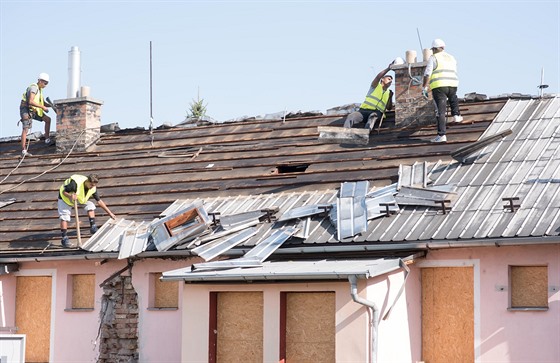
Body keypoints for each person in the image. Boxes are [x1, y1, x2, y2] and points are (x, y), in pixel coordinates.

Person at [58, 174, 116, 247]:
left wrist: (110, 213)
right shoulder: (75, 184)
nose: (92, 187)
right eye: (91, 185)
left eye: (94, 185)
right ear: (87, 181)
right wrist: (70, 196)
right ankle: (64, 238)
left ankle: (93, 227)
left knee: (90, 206)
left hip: (79, 198)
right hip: (65, 199)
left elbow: (99, 201)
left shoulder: (93, 188)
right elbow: (64, 192)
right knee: (65, 216)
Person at [422, 39, 463, 143]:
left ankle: (441, 135)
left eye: (433, 49)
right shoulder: (451, 57)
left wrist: (424, 87)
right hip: (453, 84)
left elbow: (427, 74)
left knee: (440, 112)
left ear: (435, 49)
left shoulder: (434, 57)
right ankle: (456, 116)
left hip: (439, 86)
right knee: (453, 98)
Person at [344, 62, 394, 130]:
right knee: (351, 116)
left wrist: (390, 97)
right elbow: (377, 77)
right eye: (389, 79)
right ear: (382, 79)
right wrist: (388, 69)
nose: (390, 81)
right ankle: (345, 133)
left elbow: (389, 108)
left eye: (391, 80)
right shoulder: (375, 86)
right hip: (363, 112)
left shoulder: (388, 93)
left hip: (376, 113)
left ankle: (366, 134)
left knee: (373, 116)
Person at [20, 73, 53, 156]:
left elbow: (42, 102)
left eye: (47, 83)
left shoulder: (40, 90)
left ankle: (47, 140)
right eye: (44, 83)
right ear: (40, 81)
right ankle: (23, 150)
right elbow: (30, 101)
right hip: (26, 109)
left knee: (47, 120)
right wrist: (42, 107)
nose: (45, 85)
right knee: (26, 128)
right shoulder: (34, 88)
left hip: (34, 110)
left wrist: (52, 105)